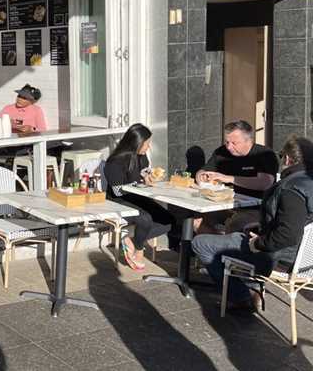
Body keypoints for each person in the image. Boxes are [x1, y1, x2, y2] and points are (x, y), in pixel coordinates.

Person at [192, 135, 313, 312]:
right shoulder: (306, 183)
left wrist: (257, 243)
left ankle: (242, 296)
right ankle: (248, 285)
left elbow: (288, 234)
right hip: (304, 258)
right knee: (240, 226)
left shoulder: (291, 189)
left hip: (279, 257)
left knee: (201, 243)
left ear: (287, 158)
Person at [103, 124, 177, 270]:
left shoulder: (142, 158)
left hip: (137, 196)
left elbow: (145, 173)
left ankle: (132, 240)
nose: (148, 147)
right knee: (145, 219)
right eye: (146, 144)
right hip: (118, 200)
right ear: (135, 143)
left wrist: (149, 177)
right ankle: (139, 249)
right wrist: (140, 182)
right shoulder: (114, 162)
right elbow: (118, 191)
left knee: (169, 220)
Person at [196, 121, 279, 233]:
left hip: (256, 208)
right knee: (196, 221)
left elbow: (265, 183)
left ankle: (219, 243)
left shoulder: (264, 154)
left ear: (249, 141)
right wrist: (202, 176)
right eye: (227, 142)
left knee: (233, 224)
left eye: (234, 143)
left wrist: (229, 178)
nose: (229, 147)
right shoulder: (221, 152)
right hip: (224, 205)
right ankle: (215, 244)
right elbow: (203, 170)